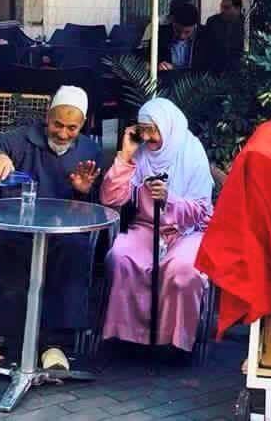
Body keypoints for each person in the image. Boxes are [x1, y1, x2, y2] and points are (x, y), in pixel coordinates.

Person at [0, 86, 102, 373]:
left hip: (62, 233)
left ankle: (55, 346)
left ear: (83, 125)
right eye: (57, 124)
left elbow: (95, 202)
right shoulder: (21, 139)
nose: (63, 133)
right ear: (47, 118)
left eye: (72, 127)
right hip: (16, 229)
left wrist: (82, 191)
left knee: (76, 251)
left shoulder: (89, 150)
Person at [100, 98, 213, 355]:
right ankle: (129, 338)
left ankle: (174, 343)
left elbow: (201, 210)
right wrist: (125, 156)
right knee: (121, 257)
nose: (148, 137)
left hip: (187, 230)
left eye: (154, 130)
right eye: (143, 130)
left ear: (168, 126)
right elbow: (110, 199)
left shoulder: (191, 152)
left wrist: (169, 198)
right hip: (147, 227)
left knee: (182, 269)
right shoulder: (139, 154)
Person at [156, 3, 209, 73]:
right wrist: (157, 66)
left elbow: (210, 67)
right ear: (172, 22)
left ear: (195, 26)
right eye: (177, 31)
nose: (182, 36)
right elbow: (146, 60)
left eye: (187, 32)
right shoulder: (160, 34)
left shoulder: (207, 36)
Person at [205, 0, 245, 73]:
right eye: (221, 7)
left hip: (237, 69)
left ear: (237, 9)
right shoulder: (212, 21)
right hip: (215, 68)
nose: (222, 10)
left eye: (227, 8)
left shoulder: (245, 23)